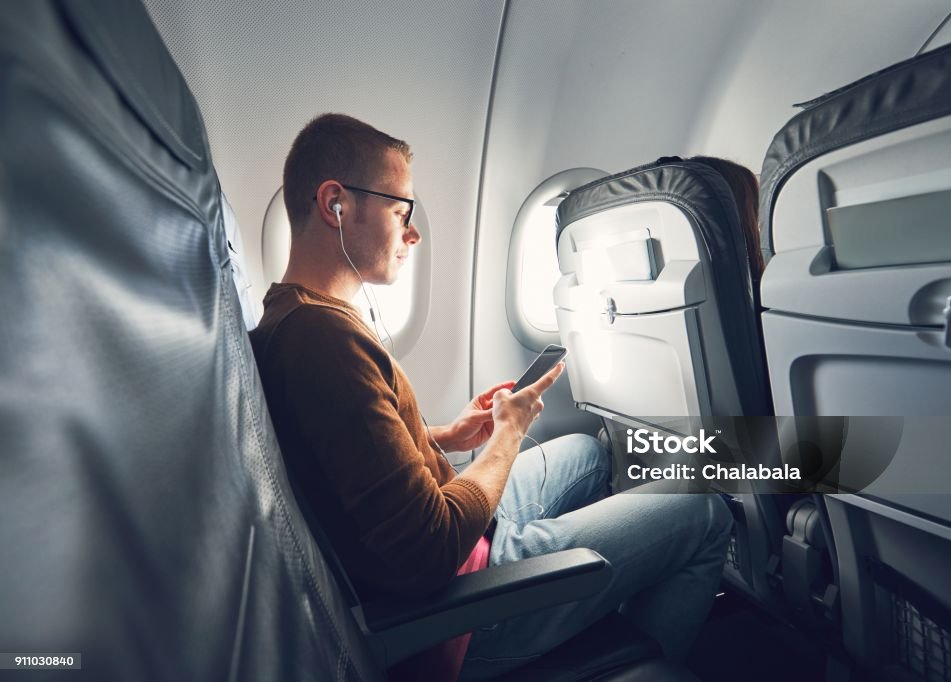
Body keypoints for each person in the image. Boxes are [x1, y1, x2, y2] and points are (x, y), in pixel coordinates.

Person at [249, 113, 733, 680]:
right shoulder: (323, 339)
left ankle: (592, 600)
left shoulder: (296, 315)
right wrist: (508, 434)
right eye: (401, 210)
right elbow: (430, 550)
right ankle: (632, 666)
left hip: (460, 542)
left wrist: (444, 436)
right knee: (705, 513)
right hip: (458, 611)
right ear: (335, 203)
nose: (414, 233)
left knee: (586, 452)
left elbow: (344, 446)